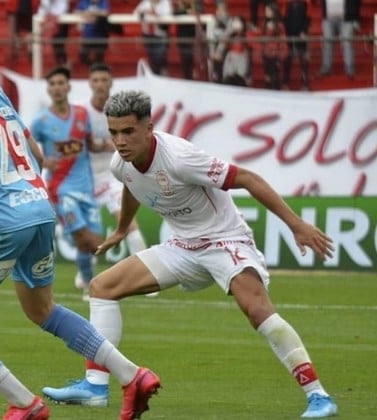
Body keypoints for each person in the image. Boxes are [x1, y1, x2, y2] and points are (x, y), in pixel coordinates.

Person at [0, 8, 160, 420]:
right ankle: (132, 375)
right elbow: (37, 154)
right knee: (42, 309)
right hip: (38, 207)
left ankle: (25, 404)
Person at [42, 90, 339, 419]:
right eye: (114, 132)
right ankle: (95, 386)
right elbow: (132, 184)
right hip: (182, 246)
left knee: (257, 310)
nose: (120, 141)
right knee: (102, 288)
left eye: (128, 131)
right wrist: (123, 228)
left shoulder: (180, 158)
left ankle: (318, 395)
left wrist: (296, 225)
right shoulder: (120, 164)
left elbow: (248, 178)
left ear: (149, 128)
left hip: (224, 240)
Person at [73, 62, 154, 300]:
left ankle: (146, 276)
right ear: (90, 84)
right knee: (85, 232)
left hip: (111, 175)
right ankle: (85, 270)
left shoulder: (119, 111)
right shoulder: (80, 111)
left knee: (127, 223)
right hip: (84, 178)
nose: (100, 85)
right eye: (95, 80)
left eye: (104, 80)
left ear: (110, 83)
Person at [30, 66, 105, 302]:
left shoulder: (82, 114)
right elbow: (26, 149)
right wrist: (43, 162)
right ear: (48, 89)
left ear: (68, 87)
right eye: (52, 84)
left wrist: (109, 145)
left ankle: (69, 237)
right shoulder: (41, 121)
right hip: (60, 188)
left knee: (94, 244)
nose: (57, 88)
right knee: (84, 238)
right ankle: (90, 288)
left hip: (86, 186)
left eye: (61, 83)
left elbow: (90, 145)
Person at [317, 0, 360, 79]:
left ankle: (349, 68)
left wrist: (356, 19)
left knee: (346, 42)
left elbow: (357, 2)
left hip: (347, 18)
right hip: (328, 18)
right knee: (327, 43)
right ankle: (326, 67)